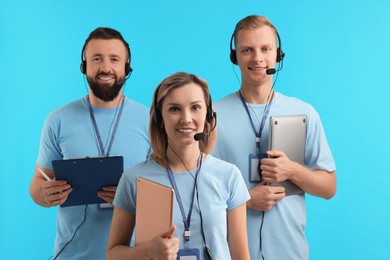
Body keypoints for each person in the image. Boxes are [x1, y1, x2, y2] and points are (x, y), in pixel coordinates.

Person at [213, 15, 337, 260]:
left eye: (265, 49)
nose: (257, 58)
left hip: (290, 252)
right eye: (247, 50)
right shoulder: (211, 115)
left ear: (277, 55)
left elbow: (329, 188)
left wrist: (292, 170)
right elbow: (196, 189)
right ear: (234, 57)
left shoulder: (305, 113)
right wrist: (245, 200)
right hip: (229, 253)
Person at [29, 27, 150, 259]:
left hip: (134, 254)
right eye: (97, 59)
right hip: (72, 254)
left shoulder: (150, 121)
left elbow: (168, 193)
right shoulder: (58, 120)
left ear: (127, 67)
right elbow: (36, 184)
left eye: (114, 59)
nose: (106, 68)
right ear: (84, 67)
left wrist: (131, 199)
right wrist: (44, 194)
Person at [107, 72, 251, 260]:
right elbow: (112, 255)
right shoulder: (135, 179)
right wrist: (148, 251)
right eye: (175, 109)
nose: (186, 118)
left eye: (195, 107)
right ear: (160, 118)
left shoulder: (229, 175)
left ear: (208, 115)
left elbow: (241, 257)